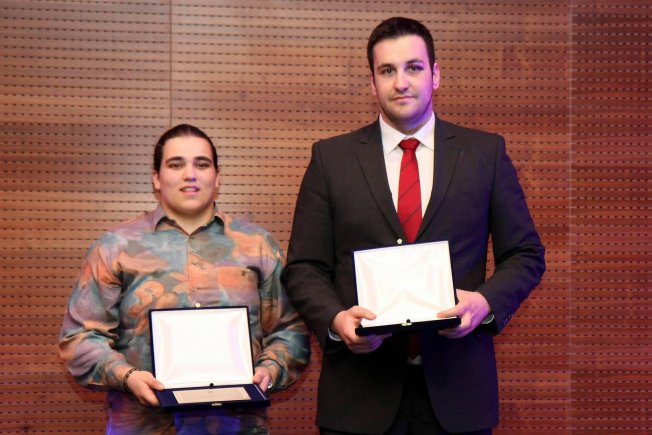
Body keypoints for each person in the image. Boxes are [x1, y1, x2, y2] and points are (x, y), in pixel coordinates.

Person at [282, 16, 545, 435]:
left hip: (459, 396)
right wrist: (336, 320)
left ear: (435, 75)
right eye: (387, 70)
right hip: (358, 398)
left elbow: (526, 254)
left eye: (414, 68)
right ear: (372, 82)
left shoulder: (485, 154)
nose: (401, 82)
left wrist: (484, 302)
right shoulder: (331, 160)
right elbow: (304, 267)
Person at [59, 124, 310, 434]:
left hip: (238, 426)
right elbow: (80, 338)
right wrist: (127, 377)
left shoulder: (257, 245)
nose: (190, 174)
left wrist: (270, 370)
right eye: (176, 164)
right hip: (143, 427)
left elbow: (290, 330)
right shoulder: (116, 247)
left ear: (217, 177)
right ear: (156, 178)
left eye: (201, 164)